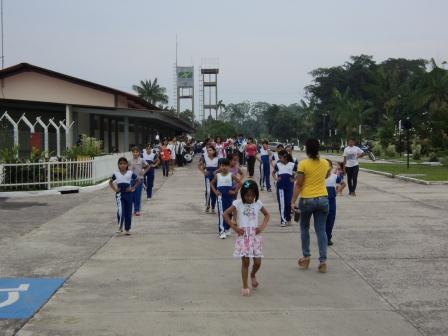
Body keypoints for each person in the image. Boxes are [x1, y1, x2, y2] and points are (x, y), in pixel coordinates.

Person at [224, 180, 270, 297]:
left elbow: (267, 215)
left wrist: (262, 227)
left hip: (255, 236)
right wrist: (235, 228)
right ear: (243, 194)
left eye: (252, 195)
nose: (250, 198)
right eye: (247, 195)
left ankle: (253, 274)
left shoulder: (258, 203)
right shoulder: (238, 203)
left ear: (256, 195)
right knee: (245, 262)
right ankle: (245, 285)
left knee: (258, 262)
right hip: (244, 236)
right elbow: (225, 214)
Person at [291, 138, 331, 273]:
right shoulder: (325, 163)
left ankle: (306, 257)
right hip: (323, 198)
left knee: (304, 228)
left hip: (307, 199)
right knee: (321, 230)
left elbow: (299, 184)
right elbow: (326, 176)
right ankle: (323, 261)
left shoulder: (303, 164)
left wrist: (292, 201)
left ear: (306, 149)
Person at [210, 158, 241, 239]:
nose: (224, 167)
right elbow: (211, 183)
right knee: (221, 214)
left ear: (229, 167)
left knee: (229, 213)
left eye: (226, 166)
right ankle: (221, 231)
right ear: (220, 166)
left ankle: (227, 228)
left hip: (229, 196)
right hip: (221, 197)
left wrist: (235, 192)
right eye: (222, 166)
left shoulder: (231, 175)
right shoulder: (218, 175)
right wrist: (215, 191)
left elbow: (240, 183)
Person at [109, 157, 140, 235]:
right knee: (120, 211)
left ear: (127, 165)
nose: (122, 165)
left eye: (124, 163)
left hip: (129, 194)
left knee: (128, 212)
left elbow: (138, 180)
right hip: (120, 195)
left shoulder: (130, 173)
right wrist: (115, 189)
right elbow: (110, 182)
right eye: (121, 164)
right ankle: (120, 227)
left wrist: (133, 187)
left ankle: (127, 229)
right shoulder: (116, 173)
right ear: (118, 165)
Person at [272, 150, 296, 227]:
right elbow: (273, 173)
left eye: (281, 157)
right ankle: (283, 220)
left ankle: (288, 217)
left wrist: (293, 179)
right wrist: (276, 179)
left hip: (289, 186)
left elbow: (297, 173)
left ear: (285, 158)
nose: (280, 158)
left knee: (289, 203)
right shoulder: (278, 164)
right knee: (282, 203)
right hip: (281, 186)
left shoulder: (292, 164)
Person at [129, 146, 150, 216]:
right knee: (131, 196)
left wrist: (144, 172)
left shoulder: (141, 160)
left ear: (139, 153)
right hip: (131, 180)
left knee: (137, 195)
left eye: (136, 152)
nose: (135, 153)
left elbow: (148, 166)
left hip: (139, 180)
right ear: (132, 153)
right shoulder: (129, 161)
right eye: (134, 152)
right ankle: (131, 209)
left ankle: (137, 210)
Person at [198, 145, 219, 213]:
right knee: (208, 191)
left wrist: (217, 171)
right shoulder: (205, 158)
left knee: (214, 191)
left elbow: (220, 167)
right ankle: (207, 205)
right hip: (208, 176)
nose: (209, 152)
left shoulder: (217, 158)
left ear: (214, 151)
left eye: (210, 150)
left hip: (215, 176)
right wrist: (203, 172)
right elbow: (199, 165)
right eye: (208, 151)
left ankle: (213, 207)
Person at [325, 159, 341, 246]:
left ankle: (328, 237)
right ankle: (323, 237)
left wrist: (337, 191)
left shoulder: (334, 176)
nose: (327, 167)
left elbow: (343, 183)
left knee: (331, 219)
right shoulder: (319, 177)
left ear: (331, 167)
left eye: (328, 165)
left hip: (331, 201)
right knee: (321, 219)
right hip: (321, 200)